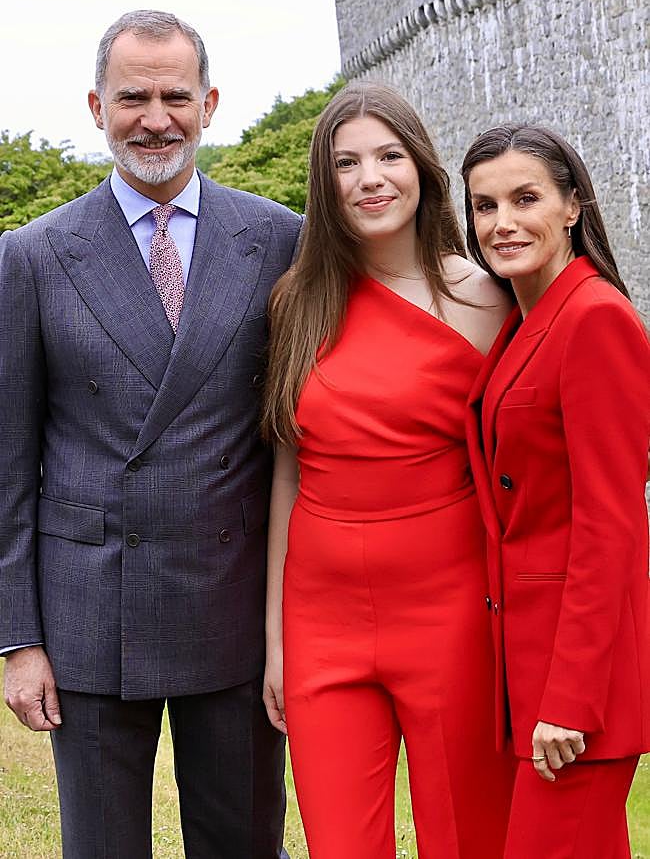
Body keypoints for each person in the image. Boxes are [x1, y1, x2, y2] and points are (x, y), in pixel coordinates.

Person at [0, 9, 302, 859]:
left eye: (176, 95)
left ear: (209, 103)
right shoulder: (32, 254)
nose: (156, 117)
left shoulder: (279, 237)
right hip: (90, 614)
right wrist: (19, 640)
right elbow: (8, 464)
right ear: (96, 106)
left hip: (232, 604)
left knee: (243, 844)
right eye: (134, 96)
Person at [261, 81, 515, 859]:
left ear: (422, 169)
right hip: (320, 620)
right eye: (345, 162)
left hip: (452, 614)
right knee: (340, 843)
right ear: (325, 184)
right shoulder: (297, 301)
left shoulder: (489, 299)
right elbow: (288, 473)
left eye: (387, 156)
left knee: (468, 837)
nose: (369, 177)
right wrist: (275, 636)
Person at [462, 123, 650, 858]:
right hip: (529, 667)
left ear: (573, 205)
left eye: (525, 198)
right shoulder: (529, 316)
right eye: (483, 207)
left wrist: (569, 699)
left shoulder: (596, 318)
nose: (502, 224)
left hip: (578, 690)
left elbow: (612, 525)